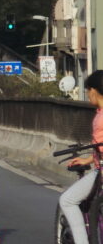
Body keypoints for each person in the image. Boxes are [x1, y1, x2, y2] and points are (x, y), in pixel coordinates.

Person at [59, 70, 103, 244]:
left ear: (93, 90)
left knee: (67, 200)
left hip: (101, 172)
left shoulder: (100, 118)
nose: (87, 95)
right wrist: (89, 159)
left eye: (87, 91)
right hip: (99, 164)